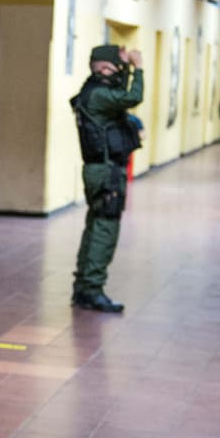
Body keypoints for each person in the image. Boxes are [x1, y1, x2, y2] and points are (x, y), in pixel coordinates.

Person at [70, 44, 144, 313]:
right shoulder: (99, 95)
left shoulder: (93, 89)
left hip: (100, 170)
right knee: (105, 229)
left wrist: (124, 68)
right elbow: (132, 97)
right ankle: (93, 289)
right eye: (116, 67)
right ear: (103, 68)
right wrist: (139, 68)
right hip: (106, 172)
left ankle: (84, 287)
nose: (120, 72)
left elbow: (119, 93)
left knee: (95, 226)